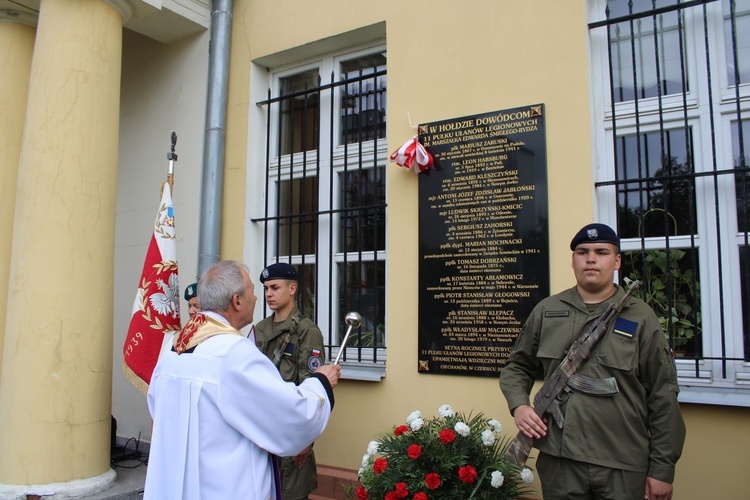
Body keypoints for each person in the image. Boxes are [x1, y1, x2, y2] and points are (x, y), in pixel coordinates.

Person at [500, 223, 685, 500]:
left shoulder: (641, 317)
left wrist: (662, 469)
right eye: (582, 252)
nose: (591, 259)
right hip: (560, 462)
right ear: (573, 259)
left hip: (622, 463)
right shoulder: (547, 310)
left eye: (602, 252)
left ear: (617, 260)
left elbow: (663, 394)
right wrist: (520, 406)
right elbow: (517, 366)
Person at [145, 260, 341, 499]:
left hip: (176, 483)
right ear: (237, 301)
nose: (258, 297)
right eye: (252, 290)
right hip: (224, 486)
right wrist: (320, 382)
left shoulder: (171, 350)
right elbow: (292, 416)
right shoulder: (233, 352)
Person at [255, 262, 326, 500]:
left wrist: (304, 441)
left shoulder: (306, 332)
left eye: (274, 287)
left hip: (289, 436)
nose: (268, 294)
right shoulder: (260, 329)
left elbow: (312, 389)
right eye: (266, 289)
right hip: (260, 432)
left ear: (293, 288)